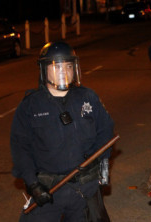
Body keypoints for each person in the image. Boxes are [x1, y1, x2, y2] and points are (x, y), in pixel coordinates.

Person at [11, 41, 115, 222]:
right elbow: (21, 148)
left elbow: (106, 131)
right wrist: (33, 184)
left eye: (68, 66)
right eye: (57, 67)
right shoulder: (30, 105)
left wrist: (97, 162)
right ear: (44, 69)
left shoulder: (87, 97)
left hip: (84, 188)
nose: (63, 72)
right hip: (49, 189)